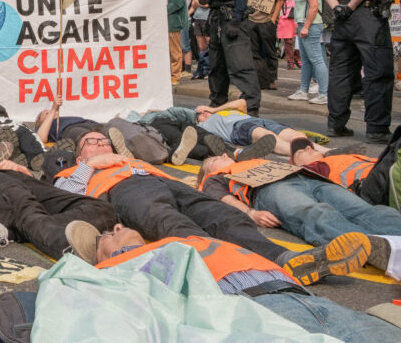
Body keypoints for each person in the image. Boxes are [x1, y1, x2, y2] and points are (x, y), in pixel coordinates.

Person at [67, 224, 397, 337]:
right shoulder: (121, 268)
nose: (117, 228)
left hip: (307, 298)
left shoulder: (175, 241)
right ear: (104, 258)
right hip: (255, 311)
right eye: (107, 236)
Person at [51, 129, 298, 266]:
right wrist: (92, 164)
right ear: (80, 155)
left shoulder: (130, 159)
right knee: (167, 221)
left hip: (166, 182)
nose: (101, 143)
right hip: (125, 189)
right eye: (91, 142)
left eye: (104, 140)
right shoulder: (75, 169)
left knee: (222, 215)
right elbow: (67, 193)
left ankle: (282, 257)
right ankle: (221, 266)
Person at [197, 152, 399, 270]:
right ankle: (370, 247)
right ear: (209, 170)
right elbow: (221, 196)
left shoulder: (251, 161)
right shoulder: (217, 176)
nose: (224, 154)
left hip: (308, 178)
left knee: (364, 210)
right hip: (268, 188)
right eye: (215, 158)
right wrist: (250, 213)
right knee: (315, 212)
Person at [322, 0, 395, 144]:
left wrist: (338, 9)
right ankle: (376, 129)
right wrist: (352, 6)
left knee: (340, 72)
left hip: (342, 18)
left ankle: (336, 124)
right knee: (378, 72)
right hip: (367, 17)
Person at [195, 98, 327, 158]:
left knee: (297, 136)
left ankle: (328, 151)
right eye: (199, 114)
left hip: (256, 120)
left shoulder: (219, 111)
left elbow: (241, 102)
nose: (203, 113)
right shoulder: (203, 125)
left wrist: (213, 109)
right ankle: (306, 156)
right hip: (239, 128)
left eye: (202, 110)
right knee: (267, 137)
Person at [287, 0, 329, 104]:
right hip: (306, 25)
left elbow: (314, 6)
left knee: (316, 59)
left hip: (310, 25)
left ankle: (324, 93)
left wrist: (305, 26)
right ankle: (303, 90)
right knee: (307, 60)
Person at [247, 0, 285, 90]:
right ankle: (258, 78)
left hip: (267, 20)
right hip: (252, 19)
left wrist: (273, 18)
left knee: (270, 51)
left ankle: (271, 79)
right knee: (254, 51)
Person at [161, 0, 187, 86]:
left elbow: (178, 3)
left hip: (173, 20)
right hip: (162, 22)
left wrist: (162, 11)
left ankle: (176, 75)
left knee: (174, 49)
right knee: (164, 50)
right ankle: (167, 73)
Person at [279, 0, 300, 69]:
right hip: (286, 16)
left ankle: (298, 58)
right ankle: (290, 61)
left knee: (298, 39)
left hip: (298, 15)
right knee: (288, 40)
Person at [176, 0, 194, 77]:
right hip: (179, 18)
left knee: (184, 44)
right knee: (180, 44)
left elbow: (180, 2)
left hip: (183, 18)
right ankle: (182, 67)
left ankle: (187, 68)